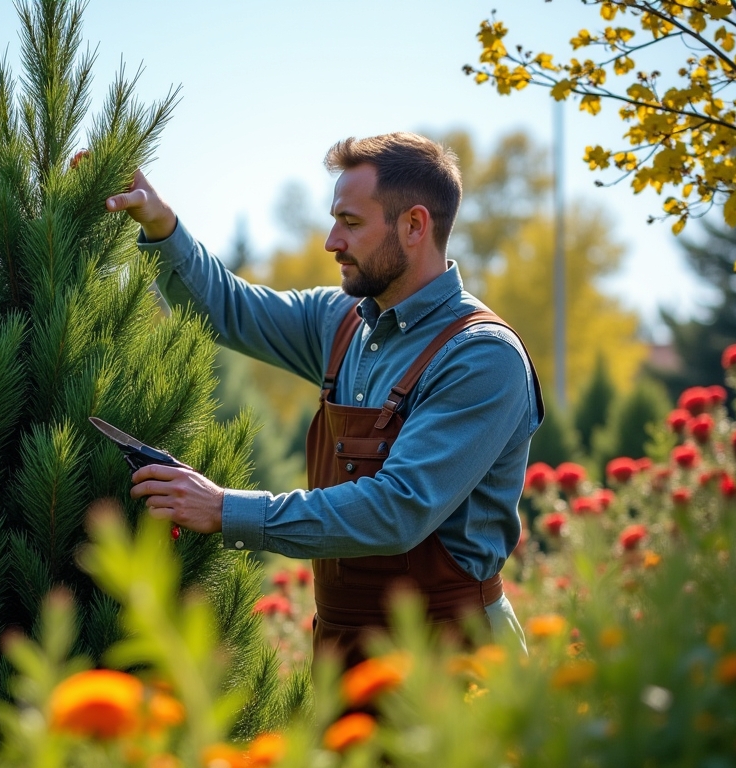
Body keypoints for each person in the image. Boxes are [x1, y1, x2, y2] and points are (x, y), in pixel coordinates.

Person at [108, 132, 544, 665]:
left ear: (414, 225)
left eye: (352, 223)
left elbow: (398, 509)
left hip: (455, 654)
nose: (331, 241)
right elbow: (228, 308)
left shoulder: (480, 357)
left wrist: (226, 509)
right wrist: (160, 223)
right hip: (342, 650)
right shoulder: (339, 322)